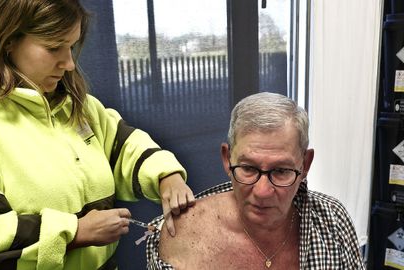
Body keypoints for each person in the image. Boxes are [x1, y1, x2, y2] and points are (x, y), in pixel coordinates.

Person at [0, 0, 195, 269]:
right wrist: (74, 232)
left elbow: (123, 148)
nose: (69, 64)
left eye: (71, 47)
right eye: (54, 47)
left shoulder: (76, 105)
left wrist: (166, 178)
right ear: (6, 40)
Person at [146, 92, 365, 270]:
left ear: (305, 165)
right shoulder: (181, 234)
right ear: (227, 159)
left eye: (280, 171)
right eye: (249, 169)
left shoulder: (332, 223)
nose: (262, 192)